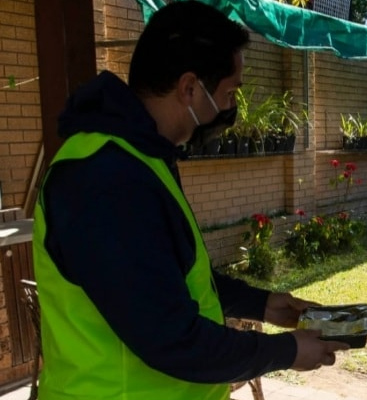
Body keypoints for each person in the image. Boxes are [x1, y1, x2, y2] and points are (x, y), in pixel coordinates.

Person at [31, 2, 349, 400]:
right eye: (230, 92)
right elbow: (170, 338)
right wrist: (286, 351)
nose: (232, 107)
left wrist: (262, 304)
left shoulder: (142, 157)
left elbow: (165, 277)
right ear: (189, 88)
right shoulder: (105, 179)